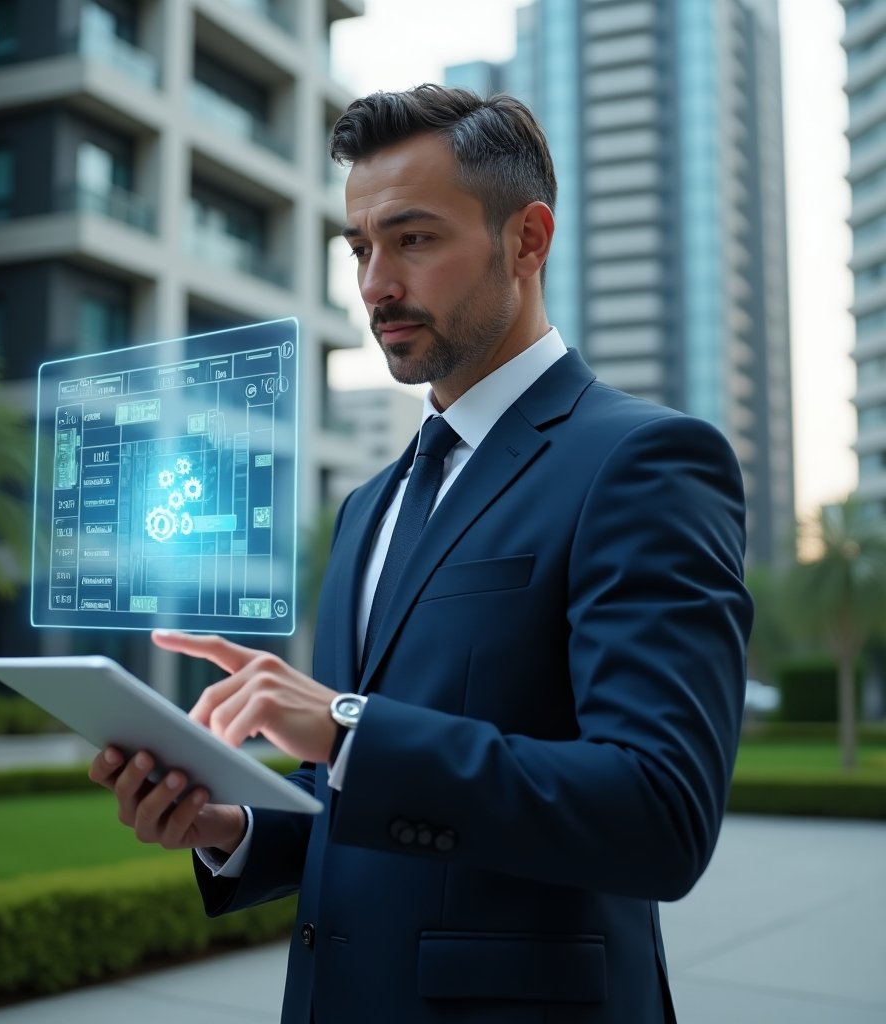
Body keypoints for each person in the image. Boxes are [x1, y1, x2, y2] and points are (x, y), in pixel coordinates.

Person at [90, 84, 753, 1023]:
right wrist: (232, 828)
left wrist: (348, 726)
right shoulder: (369, 505)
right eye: (360, 248)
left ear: (528, 240)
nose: (373, 285)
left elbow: (658, 814)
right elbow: (358, 800)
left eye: (414, 239)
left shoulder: (644, 461)